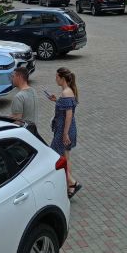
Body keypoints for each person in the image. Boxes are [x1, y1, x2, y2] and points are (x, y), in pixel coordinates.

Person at [47, 66, 81, 198]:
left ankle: (73, 183)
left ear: (62, 78)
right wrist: (56, 100)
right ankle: (69, 186)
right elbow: (66, 107)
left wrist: (65, 133)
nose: (55, 79)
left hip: (64, 131)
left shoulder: (66, 93)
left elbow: (69, 115)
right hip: (67, 129)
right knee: (66, 157)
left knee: (55, 156)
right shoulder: (68, 91)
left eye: (57, 77)